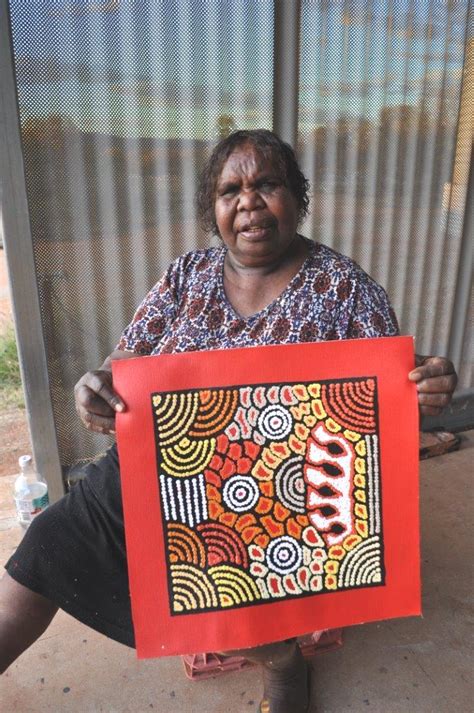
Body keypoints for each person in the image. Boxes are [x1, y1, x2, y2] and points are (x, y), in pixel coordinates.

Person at [0, 130, 457, 713]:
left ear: (297, 197)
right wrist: (97, 389)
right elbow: (124, 370)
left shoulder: (345, 288)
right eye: (229, 189)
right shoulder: (184, 278)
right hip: (165, 472)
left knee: (236, 583)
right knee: (44, 547)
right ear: (212, 209)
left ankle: (282, 662)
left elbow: (389, 397)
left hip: (277, 497)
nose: (247, 201)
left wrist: (423, 389)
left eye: (267, 183)